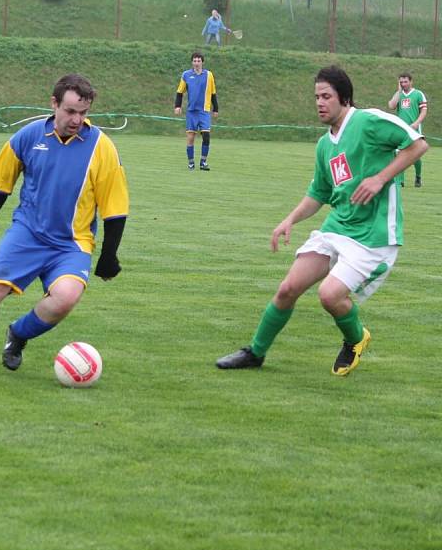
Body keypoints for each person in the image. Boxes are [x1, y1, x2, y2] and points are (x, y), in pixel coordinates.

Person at [217, 66, 427, 376]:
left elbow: (418, 144)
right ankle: (255, 352)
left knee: (329, 295)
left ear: (344, 98)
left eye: (326, 96)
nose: (319, 102)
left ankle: (356, 339)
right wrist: (289, 220)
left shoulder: (368, 121)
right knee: (288, 288)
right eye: (316, 96)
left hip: (373, 235)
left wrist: (380, 179)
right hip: (337, 227)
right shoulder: (324, 144)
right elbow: (319, 193)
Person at [0, 73, 130, 378]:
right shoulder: (28, 136)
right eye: (70, 111)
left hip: (72, 243)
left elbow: (115, 207)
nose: (77, 120)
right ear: (54, 104)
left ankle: (18, 335)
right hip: (27, 233)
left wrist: (109, 256)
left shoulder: (102, 148)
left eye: (83, 113)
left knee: (66, 298)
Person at [174, 52, 218, 171]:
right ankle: (191, 163)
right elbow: (179, 92)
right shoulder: (186, 75)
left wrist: (216, 108)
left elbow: (213, 93)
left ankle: (203, 162)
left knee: (206, 136)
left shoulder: (209, 75)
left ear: (202, 62)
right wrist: (177, 106)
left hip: (204, 111)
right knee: (191, 137)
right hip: (192, 112)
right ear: (192, 62)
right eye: (194, 61)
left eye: (199, 61)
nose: (196, 63)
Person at [388, 72, 427, 188]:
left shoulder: (418, 94)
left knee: (416, 155)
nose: (403, 84)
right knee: (398, 153)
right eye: (401, 82)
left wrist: (416, 123)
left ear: (411, 81)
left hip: (414, 129)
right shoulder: (399, 94)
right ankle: (400, 181)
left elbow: (424, 111)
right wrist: (399, 92)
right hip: (401, 129)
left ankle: (418, 176)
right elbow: (391, 106)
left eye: (405, 81)